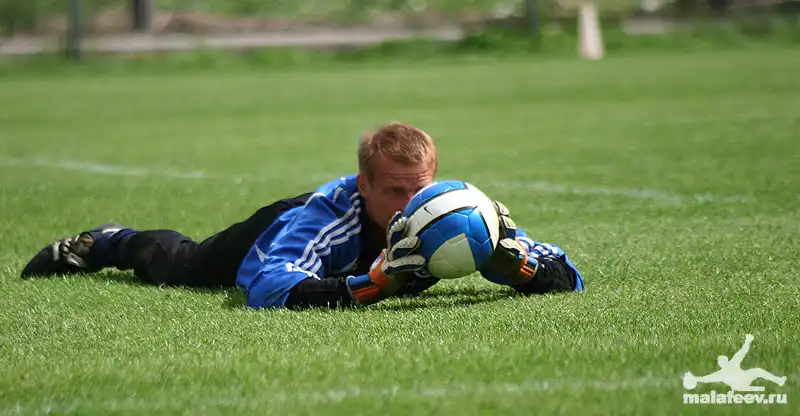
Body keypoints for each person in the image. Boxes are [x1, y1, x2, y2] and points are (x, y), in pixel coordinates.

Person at [20, 122, 585, 309]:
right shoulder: (332, 217)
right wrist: (371, 285)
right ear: (363, 184)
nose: (408, 203)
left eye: (419, 188)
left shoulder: (456, 213)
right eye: (393, 190)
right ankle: (109, 241)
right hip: (277, 231)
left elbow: (569, 275)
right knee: (185, 265)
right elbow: (265, 285)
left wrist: (522, 269)